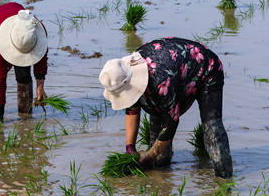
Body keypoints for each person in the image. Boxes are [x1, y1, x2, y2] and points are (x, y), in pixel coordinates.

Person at [99, 38, 233, 178]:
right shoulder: (124, 74)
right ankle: (162, 178)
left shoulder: (160, 80)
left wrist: (150, 156)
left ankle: (224, 178)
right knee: (158, 149)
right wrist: (130, 147)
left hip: (206, 68)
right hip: (174, 73)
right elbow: (132, 109)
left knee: (212, 126)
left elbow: (170, 122)